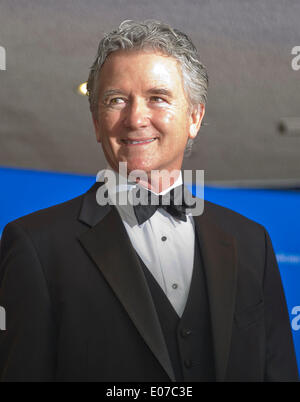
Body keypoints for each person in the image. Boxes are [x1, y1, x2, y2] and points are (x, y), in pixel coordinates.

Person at [0, 20, 298, 382]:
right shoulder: (34, 245)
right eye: (116, 100)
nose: (135, 118)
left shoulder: (253, 243)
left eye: (157, 97)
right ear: (96, 122)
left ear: (194, 117)